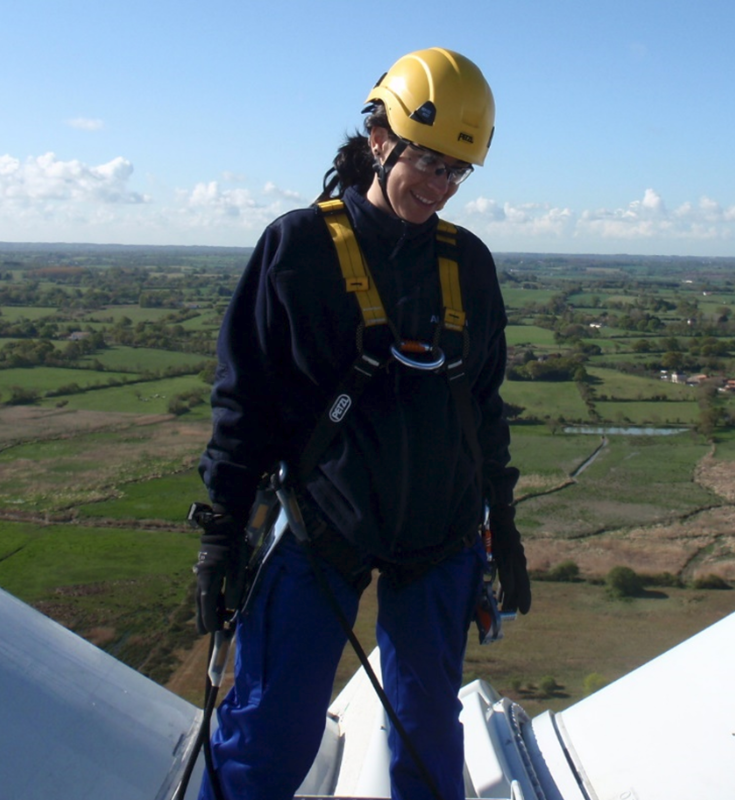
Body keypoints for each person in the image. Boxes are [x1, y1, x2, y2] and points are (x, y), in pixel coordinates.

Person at [191, 47, 530, 800]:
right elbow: (244, 404)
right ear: (380, 139)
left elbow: (482, 406)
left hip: (440, 534)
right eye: (429, 161)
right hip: (322, 528)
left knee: (428, 736)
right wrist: (222, 538)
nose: (440, 186)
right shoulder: (298, 250)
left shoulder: (467, 264)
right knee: (269, 734)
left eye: (456, 172)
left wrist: (500, 522)